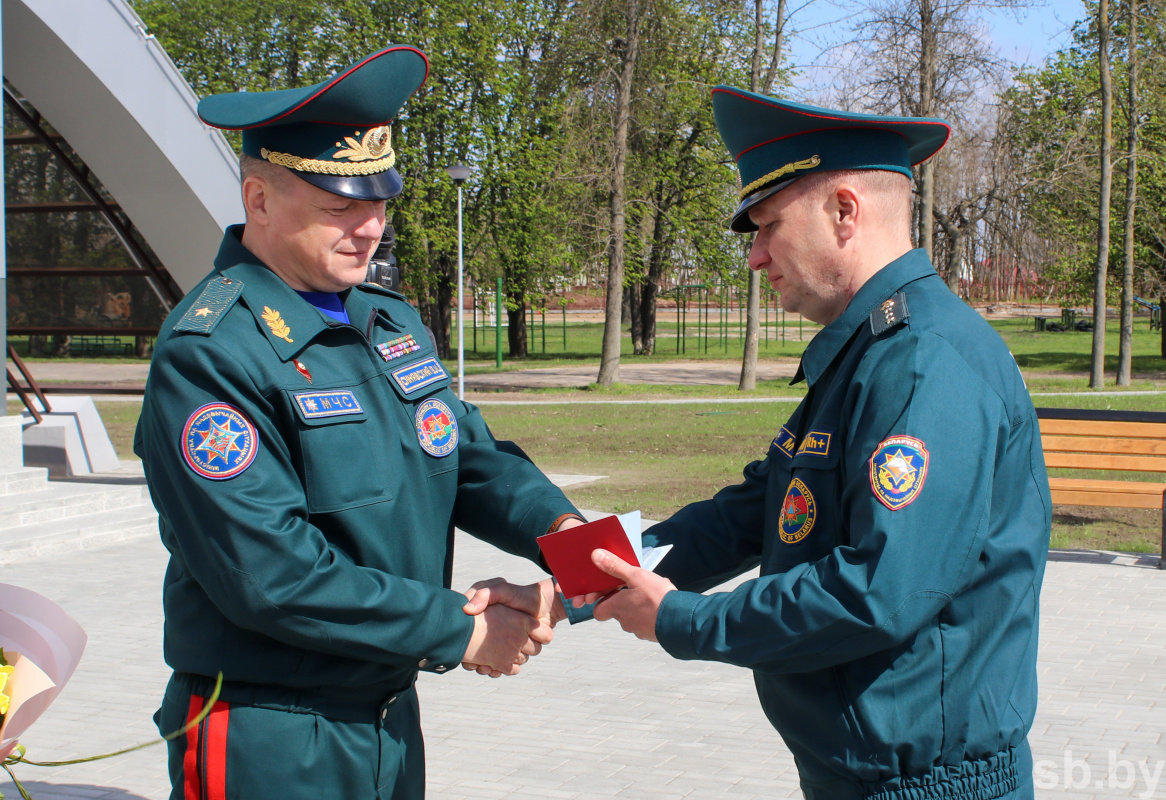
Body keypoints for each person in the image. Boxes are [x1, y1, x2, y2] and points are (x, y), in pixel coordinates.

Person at [134, 45, 582, 799]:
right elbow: (272, 574)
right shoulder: (211, 352)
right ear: (261, 199)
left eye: (378, 204)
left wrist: (566, 537)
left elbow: (466, 456)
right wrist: (461, 629)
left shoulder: (386, 320)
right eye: (340, 208)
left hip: (383, 712)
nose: (368, 229)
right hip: (270, 728)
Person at [581, 87, 1052, 800]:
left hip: (929, 785)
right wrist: (580, 576)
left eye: (768, 226)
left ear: (844, 211)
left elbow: (878, 591)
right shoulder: (869, 354)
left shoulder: (926, 360)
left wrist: (683, 619)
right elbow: (760, 508)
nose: (756, 257)